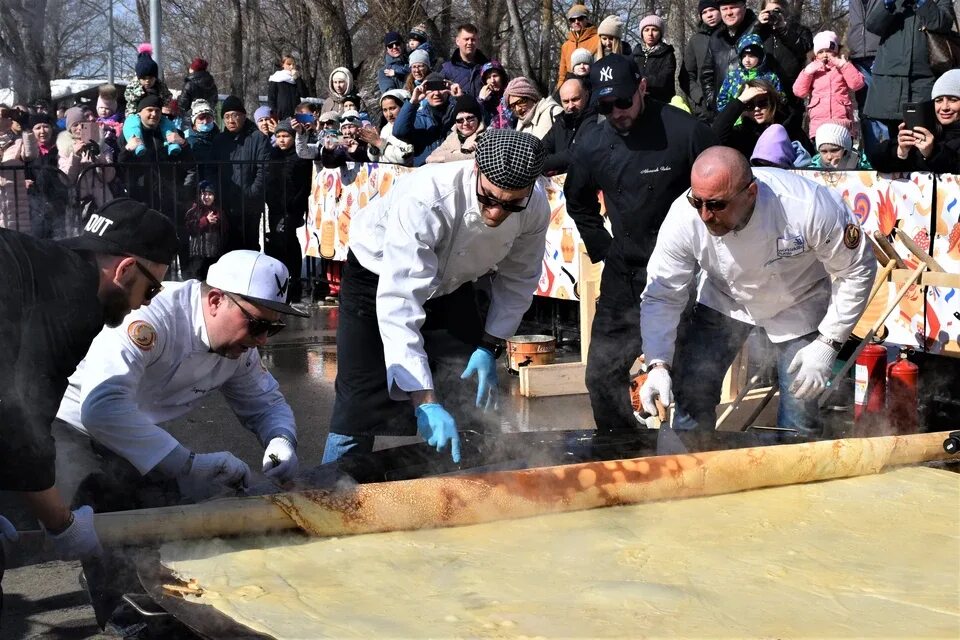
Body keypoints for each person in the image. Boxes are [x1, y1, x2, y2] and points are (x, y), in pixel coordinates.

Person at [54, 249, 307, 626]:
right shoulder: (153, 316)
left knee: (168, 519)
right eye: (256, 325)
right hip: (74, 424)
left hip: (140, 429)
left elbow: (265, 403)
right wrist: (188, 465)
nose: (263, 341)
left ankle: (161, 605)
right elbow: (102, 408)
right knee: (108, 521)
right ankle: (128, 619)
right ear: (217, 299)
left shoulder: (238, 345)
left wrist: (280, 439)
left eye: (273, 328)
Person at [321, 129, 549, 464]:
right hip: (377, 278)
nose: (497, 213)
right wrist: (425, 401)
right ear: (475, 169)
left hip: (452, 287)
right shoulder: (427, 196)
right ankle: (330, 489)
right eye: (488, 198)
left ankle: (477, 487)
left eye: (511, 204)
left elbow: (519, 278)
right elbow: (400, 304)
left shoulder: (535, 206)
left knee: (471, 397)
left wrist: (490, 344)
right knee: (359, 405)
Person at [0, 198, 177, 612]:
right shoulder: (74, 304)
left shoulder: (45, 266)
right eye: (151, 288)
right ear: (126, 269)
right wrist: (62, 525)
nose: (147, 303)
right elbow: (20, 420)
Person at [639, 147, 876, 435]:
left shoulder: (806, 206)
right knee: (692, 392)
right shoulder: (683, 218)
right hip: (724, 299)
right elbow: (662, 292)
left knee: (800, 409)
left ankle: (795, 471)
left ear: (750, 192)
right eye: (697, 201)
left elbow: (856, 269)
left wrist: (829, 343)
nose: (704, 215)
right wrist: (658, 363)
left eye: (716, 204)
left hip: (798, 303)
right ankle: (692, 469)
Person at [564, 54, 718, 433]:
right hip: (626, 273)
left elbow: (725, 191)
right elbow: (577, 200)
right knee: (601, 376)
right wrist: (603, 247)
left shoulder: (685, 132)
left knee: (688, 384)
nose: (616, 112)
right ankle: (622, 456)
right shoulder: (592, 143)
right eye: (604, 104)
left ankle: (691, 465)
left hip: (685, 275)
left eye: (623, 101)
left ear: (642, 89)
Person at [862, 0, 957, 161]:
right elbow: (872, 25)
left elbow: (942, 22)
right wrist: (889, 3)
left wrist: (922, 3)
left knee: (924, 139)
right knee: (893, 144)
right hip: (889, 82)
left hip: (924, 81)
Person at [872, 69, 960, 173]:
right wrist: (900, 151)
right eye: (939, 100)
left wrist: (933, 152)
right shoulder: (925, 131)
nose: (944, 107)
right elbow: (876, 160)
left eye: (953, 100)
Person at [212, 96, 270, 252]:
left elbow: (264, 169)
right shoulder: (219, 141)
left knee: (249, 245)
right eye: (227, 116)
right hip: (227, 204)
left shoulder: (257, 138)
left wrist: (252, 192)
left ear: (243, 116)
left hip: (250, 204)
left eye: (235, 115)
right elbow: (214, 170)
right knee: (228, 246)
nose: (231, 120)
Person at [266, 120, 311, 304]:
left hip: (293, 207)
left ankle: (294, 282)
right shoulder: (273, 155)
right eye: (278, 136)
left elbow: (304, 185)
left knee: (289, 241)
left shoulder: (300, 156)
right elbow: (269, 181)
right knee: (276, 241)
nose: (282, 140)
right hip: (275, 206)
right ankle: (278, 281)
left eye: (286, 136)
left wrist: (294, 205)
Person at [791, 30, 865, 142]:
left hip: (842, 120)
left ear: (836, 51)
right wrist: (807, 72)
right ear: (815, 53)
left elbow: (857, 84)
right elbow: (798, 92)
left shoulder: (843, 66)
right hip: (819, 123)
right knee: (824, 153)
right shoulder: (812, 69)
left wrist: (843, 65)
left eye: (829, 51)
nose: (825, 55)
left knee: (842, 152)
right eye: (820, 52)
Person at [712, 78, 809, 159]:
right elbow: (715, 136)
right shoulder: (742, 134)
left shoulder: (790, 129)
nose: (757, 109)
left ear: (772, 102)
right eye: (749, 105)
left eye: (762, 103)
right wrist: (740, 101)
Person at [701, 0, 759, 117]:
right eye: (724, 9)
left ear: (744, 7)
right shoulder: (716, 37)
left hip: (752, 111)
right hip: (722, 112)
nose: (729, 13)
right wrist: (713, 100)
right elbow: (707, 73)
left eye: (732, 7)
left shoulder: (758, 31)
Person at [123, 44, 179, 157]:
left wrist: (164, 105)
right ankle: (137, 142)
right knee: (131, 125)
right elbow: (129, 99)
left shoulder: (160, 86)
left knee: (167, 124)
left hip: (157, 114)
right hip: (135, 113)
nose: (147, 81)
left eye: (151, 78)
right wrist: (140, 95)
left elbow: (167, 96)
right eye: (144, 78)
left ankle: (172, 143)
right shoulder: (133, 86)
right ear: (139, 78)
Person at [57, 106, 117, 213]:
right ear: (69, 129)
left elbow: (109, 176)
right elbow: (66, 178)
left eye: (82, 124)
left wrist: (98, 155)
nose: (79, 128)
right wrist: (75, 156)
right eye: (75, 125)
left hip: (103, 200)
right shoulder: (64, 148)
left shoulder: (101, 144)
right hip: (79, 204)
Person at [392, 73, 459, 166]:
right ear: (424, 92)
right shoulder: (419, 118)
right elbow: (399, 132)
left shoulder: (458, 114)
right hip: (425, 170)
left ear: (448, 90)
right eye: (431, 89)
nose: (436, 93)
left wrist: (461, 98)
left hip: (453, 168)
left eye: (440, 88)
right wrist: (413, 102)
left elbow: (479, 119)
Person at [846, 0, 883, 156]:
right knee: (865, 110)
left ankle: (887, 152)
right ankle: (871, 155)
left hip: (880, 53)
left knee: (883, 108)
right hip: (858, 56)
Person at [541, 77, 595, 175]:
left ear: (586, 95)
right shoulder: (560, 122)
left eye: (575, 99)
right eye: (565, 101)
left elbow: (577, 153)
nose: (570, 106)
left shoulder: (594, 121)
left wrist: (548, 163)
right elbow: (541, 149)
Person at [680, 1, 722, 121]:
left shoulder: (732, 35)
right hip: (705, 111)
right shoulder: (695, 40)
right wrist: (700, 98)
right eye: (704, 12)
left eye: (712, 10)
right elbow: (686, 76)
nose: (709, 15)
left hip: (733, 104)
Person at [717, 34, 781, 112]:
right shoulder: (732, 76)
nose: (747, 60)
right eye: (744, 56)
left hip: (763, 121)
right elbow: (721, 101)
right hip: (737, 122)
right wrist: (734, 117)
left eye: (751, 56)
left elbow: (779, 100)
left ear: (760, 57)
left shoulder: (770, 77)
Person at [0, 106, 34, 233]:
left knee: (18, 245)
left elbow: (31, 154)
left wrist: (26, 127)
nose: (2, 118)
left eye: (6, 115)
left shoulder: (18, 142)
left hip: (16, 203)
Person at [183, 180, 226, 278]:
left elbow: (224, 229)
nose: (206, 197)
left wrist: (217, 220)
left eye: (210, 194)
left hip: (214, 253)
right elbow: (189, 227)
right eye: (204, 194)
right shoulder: (193, 211)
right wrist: (205, 221)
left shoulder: (218, 211)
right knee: (198, 278)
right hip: (198, 254)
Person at [426, 95, 486, 163]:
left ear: (478, 119)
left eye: (470, 119)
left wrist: (443, 158)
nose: (465, 123)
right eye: (460, 120)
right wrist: (457, 152)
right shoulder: (453, 136)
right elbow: (433, 155)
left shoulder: (486, 135)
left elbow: (477, 155)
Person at [362, 89, 415, 165]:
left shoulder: (412, 126)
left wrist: (380, 143)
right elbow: (376, 159)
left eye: (392, 108)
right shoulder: (385, 129)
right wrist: (374, 146)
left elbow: (405, 158)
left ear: (403, 107)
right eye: (385, 110)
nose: (389, 114)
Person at [633, 14, 677, 103]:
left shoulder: (667, 53)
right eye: (646, 30)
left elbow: (664, 78)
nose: (650, 34)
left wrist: (643, 81)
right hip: (637, 100)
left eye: (654, 30)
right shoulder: (635, 54)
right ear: (642, 33)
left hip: (660, 101)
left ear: (660, 33)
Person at [440, 23, 490, 98]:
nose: (469, 43)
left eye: (473, 39)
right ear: (457, 41)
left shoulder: (487, 68)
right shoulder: (447, 70)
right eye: (466, 39)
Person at [558, 4, 600, 88]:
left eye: (580, 18)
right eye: (572, 20)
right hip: (570, 87)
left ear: (587, 19)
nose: (576, 22)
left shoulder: (598, 39)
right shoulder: (566, 46)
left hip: (592, 84)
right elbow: (562, 75)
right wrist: (560, 90)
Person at [268, 56, 311, 121]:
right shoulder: (276, 78)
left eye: (293, 64)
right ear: (283, 64)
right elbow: (271, 99)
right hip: (282, 116)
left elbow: (304, 94)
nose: (291, 67)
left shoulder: (296, 78)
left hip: (297, 114)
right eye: (289, 64)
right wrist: (276, 113)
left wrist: (297, 78)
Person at [478, 60, 509, 125]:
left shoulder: (511, 95)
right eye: (488, 77)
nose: (492, 81)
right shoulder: (482, 100)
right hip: (491, 134)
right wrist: (481, 101)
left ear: (502, 77)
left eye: (495, 76)